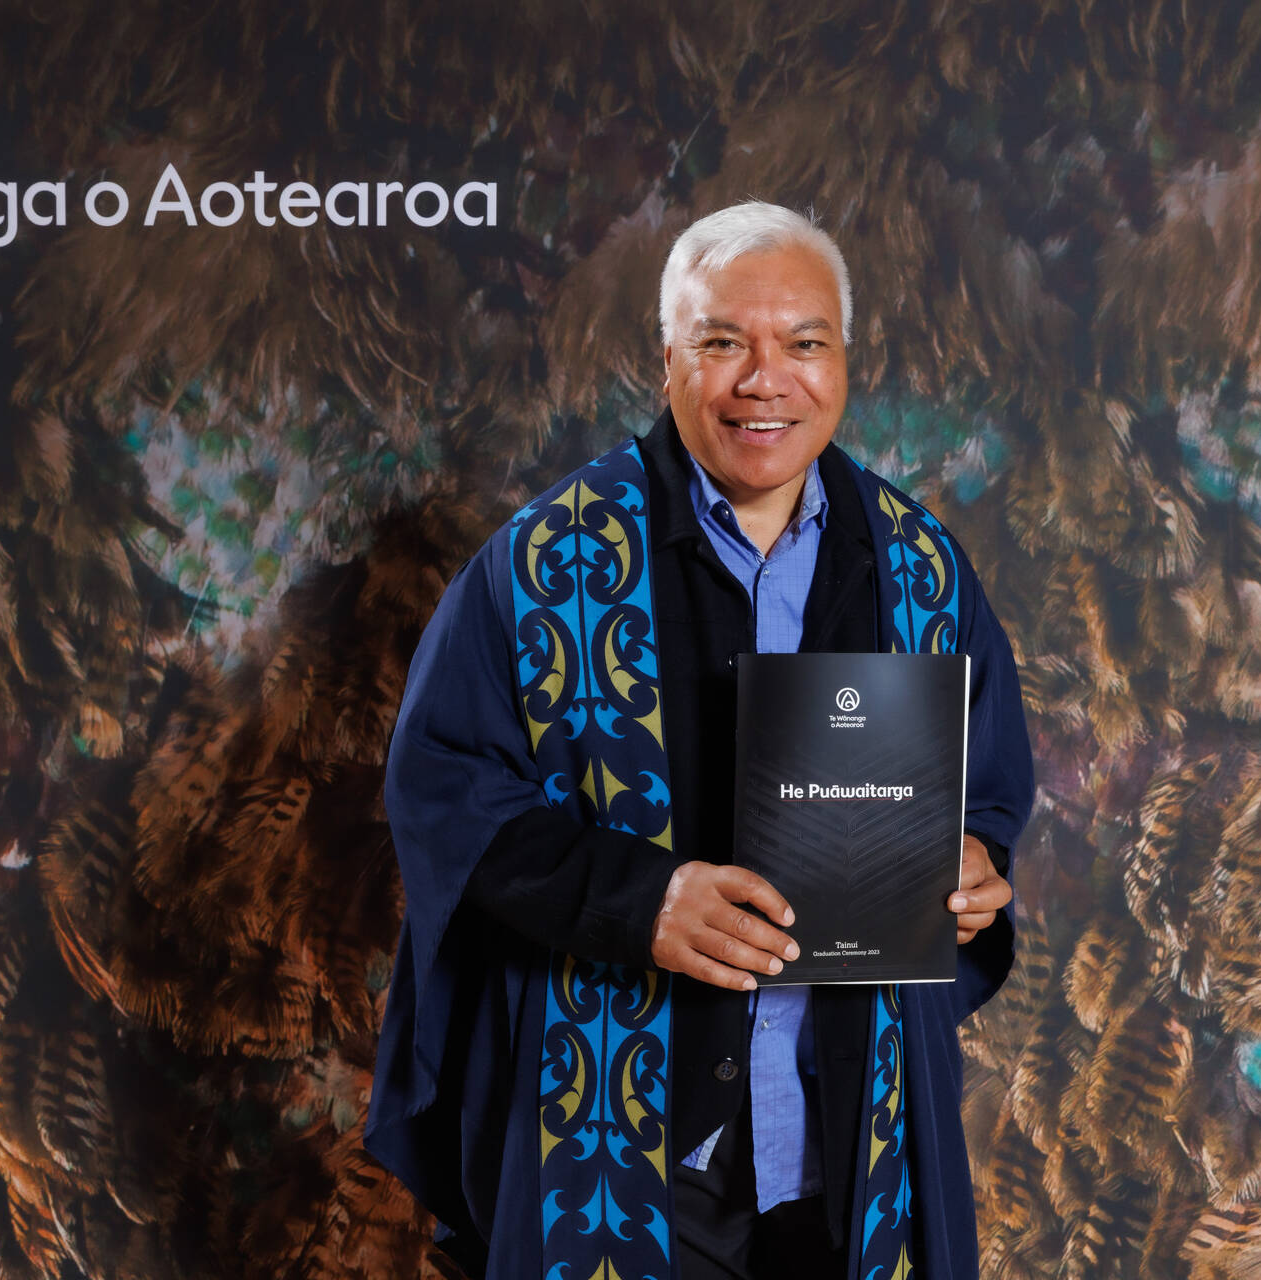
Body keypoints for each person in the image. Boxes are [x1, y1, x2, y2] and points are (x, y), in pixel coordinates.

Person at [365, 201, 1035, 1280]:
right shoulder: (545, 564)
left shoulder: (920, 567)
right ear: (668, 357)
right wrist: (641, 901)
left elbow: (987, 790)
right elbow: (444, 791)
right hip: (622, 1131)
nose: (766, 381)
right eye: (723, 342)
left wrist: (973, 863)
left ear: (844, 359)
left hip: (849, 1142)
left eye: (803, 343)